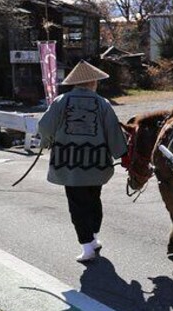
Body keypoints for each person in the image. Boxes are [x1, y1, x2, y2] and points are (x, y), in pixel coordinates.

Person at [37, 61, 128, 263]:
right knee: (94, 199)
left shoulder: (61, 101)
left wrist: (47, 140)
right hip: (96, 163)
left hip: (69, 165)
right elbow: (113, 131)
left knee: (77, 204)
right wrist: (122, 154)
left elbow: (44, 126)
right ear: (92, 82)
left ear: (76, 83)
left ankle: (86, 246)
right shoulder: (102, 103)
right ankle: (93, 238)